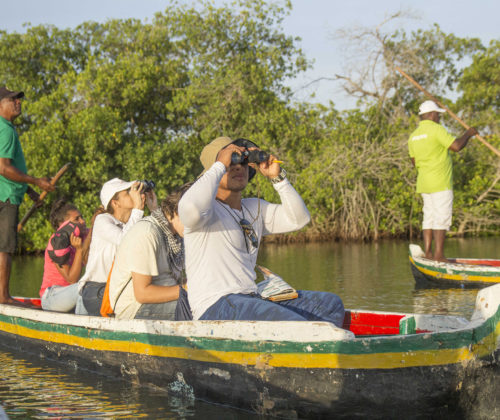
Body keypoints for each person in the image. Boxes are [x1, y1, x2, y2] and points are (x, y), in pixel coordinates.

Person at [178, 137, 345, 327]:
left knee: (330, 305)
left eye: (242, 162)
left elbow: (299, 219)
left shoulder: (254, 208)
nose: (238, 167)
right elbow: (189, 207)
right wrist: (219, 165)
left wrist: (278, 178)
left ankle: (311, 351)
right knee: (295, 326)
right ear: (215, 170)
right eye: (231, 161)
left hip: (251, 298)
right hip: (216, 306)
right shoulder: (205, 212)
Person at [0, 86, 55, 306]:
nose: (18, 103)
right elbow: (4, 168)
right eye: (13, 100)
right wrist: (36, 181)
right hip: (6, 198)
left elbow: (11, 171)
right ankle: (3, 297)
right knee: (5, 247)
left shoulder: (5, 128)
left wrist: (31, 192)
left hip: (8, 193)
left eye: (19, 99)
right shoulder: (5, 130)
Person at [108, 183, 191, 320]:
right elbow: (142, 294)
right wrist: (186, 290)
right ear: (177, 211)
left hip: (162, 300)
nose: (199, 223)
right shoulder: (148, 233)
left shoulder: (175, 235)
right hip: (133, 310)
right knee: (196, 308)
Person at [408, 100, 478, 262]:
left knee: (429, 217)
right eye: (438, 115)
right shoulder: (436, 129)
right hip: (441, 182)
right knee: (442, 217)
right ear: (432, 115)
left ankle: (428, 253)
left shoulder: (414, 136)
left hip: (424, 183)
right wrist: (469, 133)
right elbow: (456, 146)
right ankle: (439, 255)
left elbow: (414, 162)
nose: (439, 118)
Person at [76, 178, 157, 315]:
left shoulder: (135, 222)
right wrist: (137, 209)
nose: (133, 194)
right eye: (127, 192)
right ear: (115, 203)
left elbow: (159, 240)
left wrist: (154, 209)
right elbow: (126, 241)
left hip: (117, 289)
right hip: (96, 290)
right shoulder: (103, 220)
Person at [39, 199, 87, 312]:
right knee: (85, 288)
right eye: (77, 219)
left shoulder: (83, 236)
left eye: (81, 217)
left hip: (69, 296)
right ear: (64, 225)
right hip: (52, 296)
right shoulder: (57, 242)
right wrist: (79, 250)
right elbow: (72, 279)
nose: (83, 221)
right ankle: (82, 327)